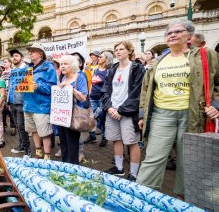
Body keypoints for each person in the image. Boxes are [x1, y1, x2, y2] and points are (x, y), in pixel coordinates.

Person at [136, 19, 219, 199]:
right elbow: (146, 90)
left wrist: (216, 106)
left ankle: (186, 201)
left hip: (193, 115)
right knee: (153, 157)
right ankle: (143, 197)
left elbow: (217, 83)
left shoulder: (206, 56)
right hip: (161, 114)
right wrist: (143, 114)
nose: (172, 35)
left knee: (188, 160)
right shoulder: (158, 61)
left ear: (189, 36)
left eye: (178, 31)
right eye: (169, 33)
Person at [101, 41, 145, 182]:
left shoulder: (137, 68)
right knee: (116, 140)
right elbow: (106, 91)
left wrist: (121, 110)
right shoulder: (112, 69)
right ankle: (119, 168)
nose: (118, 52)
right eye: (116, 49)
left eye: (121, 49)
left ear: (129, 51)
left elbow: (137, 93)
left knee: (132, 142)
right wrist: (109, 107)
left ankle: (133, 174)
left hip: (128, 112)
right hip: (112, 110)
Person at [23, 42, 57, 160]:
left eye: (33, 51)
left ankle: (47, 157)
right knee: (33, 131)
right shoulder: (28, 68)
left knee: (45, 133)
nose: (30, 53)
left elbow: (53, 87)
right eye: (30, 51)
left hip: (41, 106)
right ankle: (38, 153)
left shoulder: (49, 67)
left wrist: (39, 86)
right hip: (28, 105)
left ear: (40, 54)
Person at [58, 55, 89, 165]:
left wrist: (71, 89)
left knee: (72, 144)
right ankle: (64, 166)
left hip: (74, 116)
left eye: (65, 64)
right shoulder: (63, 78)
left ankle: (72, 168)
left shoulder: (79, 77)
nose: (62, 66)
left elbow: (84, 98)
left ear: (72, 65)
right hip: (62, 115)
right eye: (61, 64)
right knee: (63, 143)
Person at [8, 49, 31, 157]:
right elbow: (11, 86)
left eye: (16, 56)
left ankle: (27, 149)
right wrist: (8, 101)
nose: (14, 58)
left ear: (22, 58)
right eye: (13, 56)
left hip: (21, 102)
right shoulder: (12, 71)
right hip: (12, 102)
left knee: (22, 126)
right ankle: (21, 145)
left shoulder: (27, 69)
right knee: (18, 126)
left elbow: (29, 86)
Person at [89, 51, 114, 147]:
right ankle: (93, 135)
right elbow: (92, 82)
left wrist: (100, 81)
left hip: (102, 98)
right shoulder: (97, 69)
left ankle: (104, 137)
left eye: (101, 57)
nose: (98, 58)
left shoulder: (109, 70)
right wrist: (90, 92)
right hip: (93, 96)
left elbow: (109, 84)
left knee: (102, 118)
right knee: (94, 116)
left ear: (106, 59)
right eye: (98, 57)